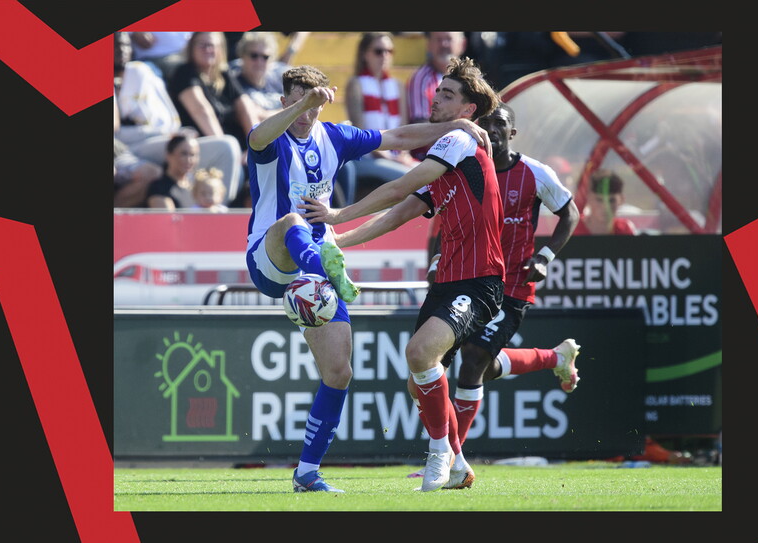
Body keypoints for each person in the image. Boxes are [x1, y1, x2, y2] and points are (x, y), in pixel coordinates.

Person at [244, 64, 490, 493]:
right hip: (273, 257)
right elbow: (255, 138)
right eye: (297, 102)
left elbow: (397, 138)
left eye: (312, 103)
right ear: (285, 102)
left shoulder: (334, 136)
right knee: (290, 220)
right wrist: (304, 104)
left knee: (338, 371)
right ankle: (327, 268)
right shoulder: (273, 139)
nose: (307, 112)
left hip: (313, 275)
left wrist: (457, 125)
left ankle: (306, 473)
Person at [326, 102, 583, 489]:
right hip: (453, 279)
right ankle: (551, 359)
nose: (492, 131)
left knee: (472, 360)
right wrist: (344, 241)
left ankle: (445, 454)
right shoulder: (455, 163)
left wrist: (545, 256)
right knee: (426, 378)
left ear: (509, 132)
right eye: (487, 124)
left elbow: (569, 212)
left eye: (501, 125)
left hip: (502, 283)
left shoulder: (527, 171)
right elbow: (418, 213)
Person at [114, 31, 242, 206]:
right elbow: (117, 132)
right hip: (131, 147)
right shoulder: (138, 72)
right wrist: (172, 134)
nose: (123, 50)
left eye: (126, 44)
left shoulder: (143, 71)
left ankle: (210, 211)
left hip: (164, 136)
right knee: (225, 146)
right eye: (116, 45)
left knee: (233, 156)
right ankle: (215, 216)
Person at [344, 32, 419, 201]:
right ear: (365, 54)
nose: (384, 56)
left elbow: (405, 129)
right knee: (409, 177)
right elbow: (362, 133)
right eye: (378, 51)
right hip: (368, 157)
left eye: (389, 51)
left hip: (394, 155)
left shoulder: (398, 86)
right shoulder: (356, 85)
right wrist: (390, 157)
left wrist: (402, 155)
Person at [169, 32, 259, 155]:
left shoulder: (224, 75)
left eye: (212, 45)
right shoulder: (185, 73)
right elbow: (201, 110)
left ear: (220, 48)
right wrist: (226, 149)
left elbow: (244, 107)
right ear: (192, 48)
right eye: (202, 45)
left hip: (237, 144)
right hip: (204, 146)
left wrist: (257, 146)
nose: (207, 49)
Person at [405, 32, 466, 160]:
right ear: (428, 45)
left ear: (463, 44)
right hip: (430, 158)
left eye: (448, 39)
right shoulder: (421, 79)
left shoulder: (472, 80)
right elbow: (421, 129)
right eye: (438, 40)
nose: (443, 44)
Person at [231, 32, 291, 122]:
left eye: (265, 57)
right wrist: (291, 111)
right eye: (254, 56)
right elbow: (257, 118)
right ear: (242, 56)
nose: (259, 62)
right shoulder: (233, 83)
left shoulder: (279, 78)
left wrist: (266, 114)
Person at [575, 169, 639, 235]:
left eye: (611, 200)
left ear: (621, 200)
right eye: (599, 200)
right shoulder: (572, 228)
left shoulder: (625, 230)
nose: (605, 206)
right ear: (588, 198)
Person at [145, 132, 200, 209]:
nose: (189, 160)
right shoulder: (160, 188)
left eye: (193, 155)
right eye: (184, 154)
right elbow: (167, 219)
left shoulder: (198, 186)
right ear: (169, 155)